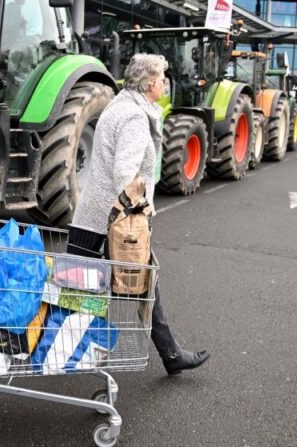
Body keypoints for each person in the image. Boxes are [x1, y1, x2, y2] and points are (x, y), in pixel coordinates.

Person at [68, 53, 211, 376]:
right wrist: (140, 211)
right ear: (149, 84)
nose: (165, 84)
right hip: (117, 221)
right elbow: (124, 173)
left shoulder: (119, 106)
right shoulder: (134, 117)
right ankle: (169, 355)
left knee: (84, 287)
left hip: (94, 216)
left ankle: (169, 354)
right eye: (162, 79)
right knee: (135, 284)